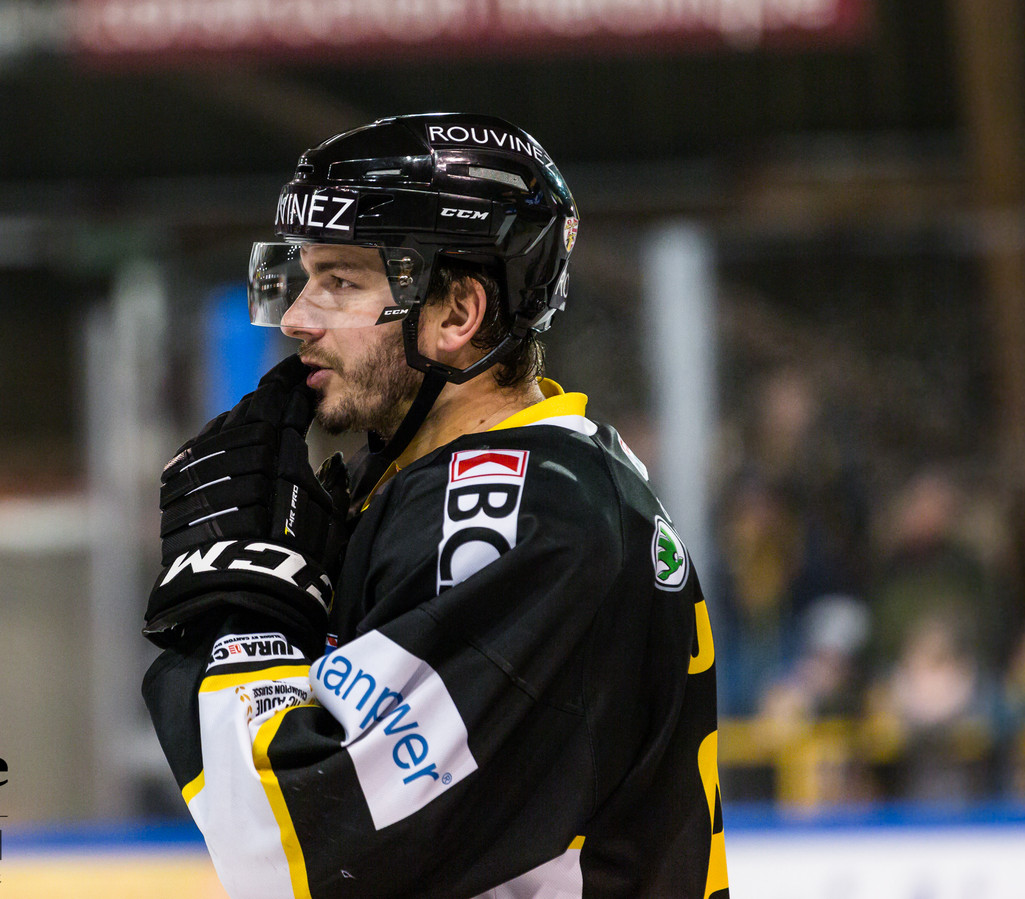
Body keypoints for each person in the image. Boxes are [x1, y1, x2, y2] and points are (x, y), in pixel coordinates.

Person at [142, 114, 725, 898]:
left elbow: (289, 850)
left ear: (456, 314)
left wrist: (238, 619)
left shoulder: (517, 516)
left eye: (341, 281)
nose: (299, 317)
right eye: (304, 275)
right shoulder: (525, 485)